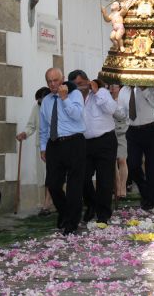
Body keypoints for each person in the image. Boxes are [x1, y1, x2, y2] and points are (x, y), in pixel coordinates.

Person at [39, 68, 86, 235]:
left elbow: (77, 115)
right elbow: (44, 127)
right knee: (52, 184)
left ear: (63, 79)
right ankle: (66, 213)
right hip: (54, 145)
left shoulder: (75, 95)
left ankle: (71, 222)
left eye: (55, 80)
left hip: (74, 141)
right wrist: (43, 147)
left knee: (74, 186)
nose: (53, 84)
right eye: (49, 81)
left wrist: (64, 98)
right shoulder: (46, 101)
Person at [68, 71, 118, 225]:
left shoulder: (101, 92)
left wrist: (97, 91)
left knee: (105, 179)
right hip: (84, 142)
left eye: (80, 83)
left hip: (105, 141)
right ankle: (91, 204)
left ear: (87, 81)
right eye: (75, 85)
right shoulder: (72, 98)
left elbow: (111, 109)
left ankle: (103, 214)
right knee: (82, 176)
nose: (78, 87)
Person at [117, 84, 154, 211]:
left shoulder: (150, 88)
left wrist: (144, 89)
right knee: (132, 164)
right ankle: (145, 191)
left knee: (152, 165)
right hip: (132, 130)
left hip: (151, 128)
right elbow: (122, 113)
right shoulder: (124, 91)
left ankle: (151, 200)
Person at [16, 86, 53, 216]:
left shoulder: (57, 105)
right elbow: (31, 125)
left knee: (53, 175)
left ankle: (47, 204)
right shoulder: (37, 107)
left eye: (41, 100)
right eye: (38, 101)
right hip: (41, 147)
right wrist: (24, 134)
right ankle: (46, 203)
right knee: (43, 176)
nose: (40, 103)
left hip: (56, 145)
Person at [109, 83, 129, 200]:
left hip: (123, 131)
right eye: (110, 86)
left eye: (114, 86)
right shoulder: (106, 99)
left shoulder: (122, 99)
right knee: (113, 161)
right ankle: (117, 187)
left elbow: (123, 115)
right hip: (110, 131)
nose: (111, 88)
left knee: (122, 159)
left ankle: (123, 187)